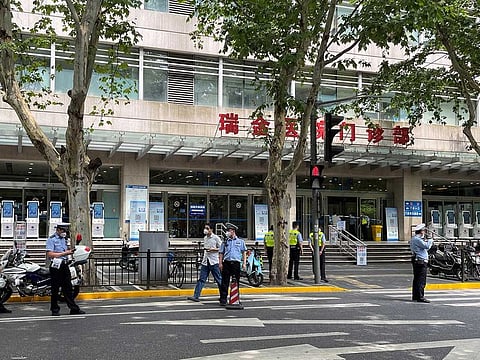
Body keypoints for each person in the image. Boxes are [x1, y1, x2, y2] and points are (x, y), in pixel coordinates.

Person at [46, 223, 85, 316]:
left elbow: (66, 251)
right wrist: (64, 254)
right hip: (56, 265)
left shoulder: (64, 239)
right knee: (55, 289)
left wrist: (72, 251)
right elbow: (50, 254)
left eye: (65, 231)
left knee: (68, 288)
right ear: (58, 230)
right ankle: (54, 309)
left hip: (64, 265)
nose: (64, 233)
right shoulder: (51, 239)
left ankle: (73, 308)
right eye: (63, 230)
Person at [187, 223, 222, 302]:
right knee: (201, 279)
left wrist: (213, 249)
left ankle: (223, 295)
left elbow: (221, 248)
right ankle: (196, 296)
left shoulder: (216, 238)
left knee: (218, 279)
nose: (206, 230)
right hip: (206, 261)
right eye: (205, 228)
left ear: (211, 230)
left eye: (207, 228)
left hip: (214, 261)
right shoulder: (205, 238)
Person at [218, 223, 247, 306]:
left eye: (229, 231)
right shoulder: (225, 241)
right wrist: (220, 263)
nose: (227, 232)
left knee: (236, 282)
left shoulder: (240, 241)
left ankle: (236, 298)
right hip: (226, 263)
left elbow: (244, 252)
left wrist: (244, 263)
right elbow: (221, 252)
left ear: (233, 231)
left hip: (236, 263)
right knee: (225, 282)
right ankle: (223, 299)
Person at [410, 223, 433, 303]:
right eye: (423, 231)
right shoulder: (417, 239)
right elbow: (426, 246)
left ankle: (416, 295)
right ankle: (420, 296)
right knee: (421, 280)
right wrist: (430, 240)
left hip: (417, 260)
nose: (424, 232)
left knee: (416, 279)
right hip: (420, 261)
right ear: (421, 231)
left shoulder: (414, 239)